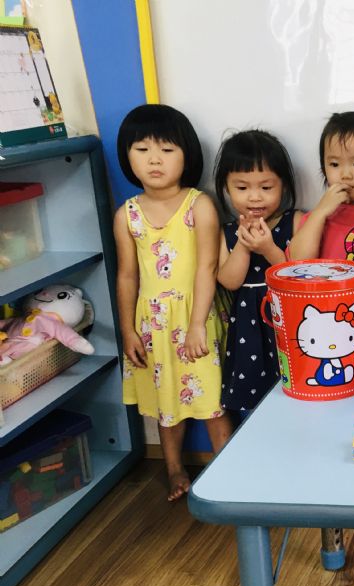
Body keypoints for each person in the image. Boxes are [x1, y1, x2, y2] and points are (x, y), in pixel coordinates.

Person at [114, 104, 232, 501]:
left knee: (212, 401)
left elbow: (208, 266)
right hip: (153, 326)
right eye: (142, 149)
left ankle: (230, 473)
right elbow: (127, 276)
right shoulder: (127, 215)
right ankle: (174, 469)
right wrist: (128, 330)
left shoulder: (199, 205)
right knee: (167, 402)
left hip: (196, 317)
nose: (154, 159)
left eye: (166, 150)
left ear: (187, 155)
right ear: (127, 156)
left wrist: (197, 324)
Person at [214, 129, 303, 414]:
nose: (254, 197)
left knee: (294, 390)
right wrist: (243, 244)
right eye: (242, 188)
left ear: (283, 186)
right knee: (252, 397)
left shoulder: (295, 221)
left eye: (266, 187)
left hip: (288, 320)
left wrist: (268, 248)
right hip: (248, 325)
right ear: (226, 188)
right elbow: (229, 281)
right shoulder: (227, 231)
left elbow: (296, 275)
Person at [288, 111, 354, 261]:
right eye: (334, 164)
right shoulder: (317, 216)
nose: (345, 175)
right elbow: (297, 260)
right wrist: (319, 213)